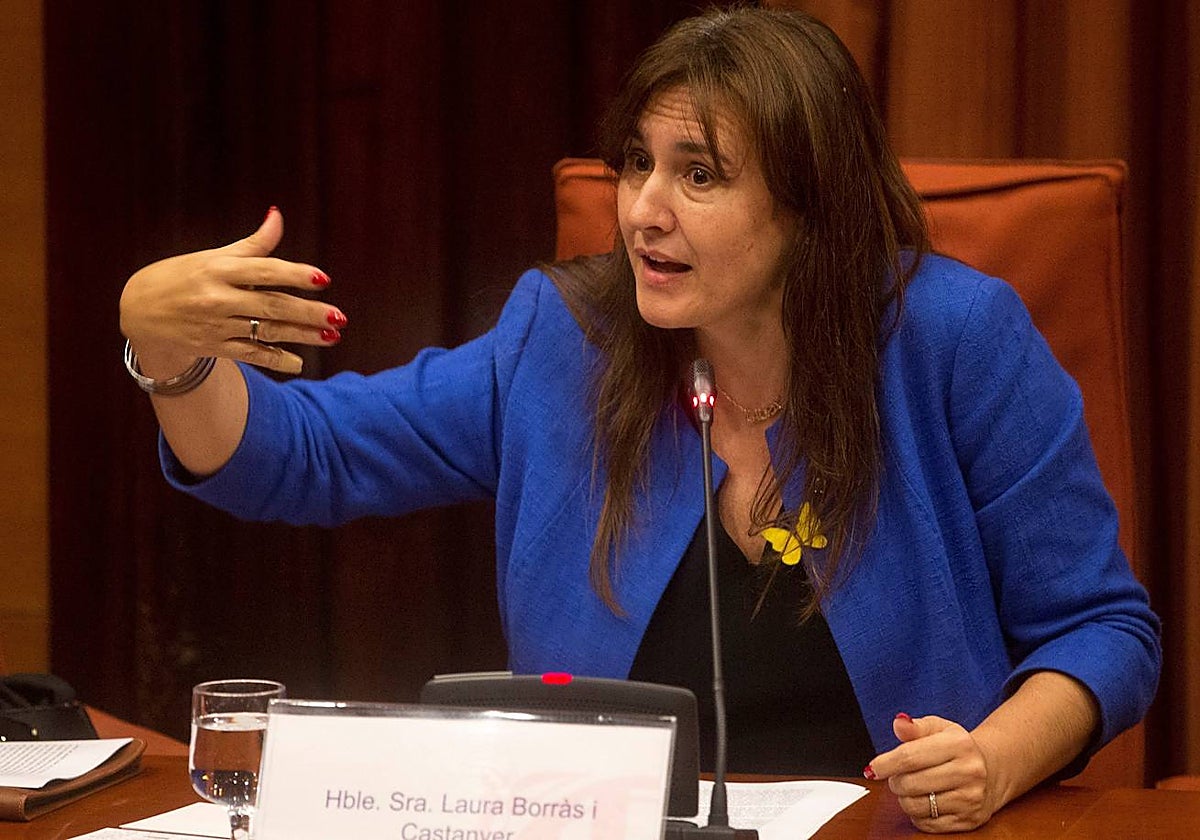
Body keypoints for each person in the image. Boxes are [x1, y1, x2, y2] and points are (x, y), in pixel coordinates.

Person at [118, 7, 1159, 833]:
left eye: (698, 174)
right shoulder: (564, 342)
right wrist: (168, 351)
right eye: (636, 162)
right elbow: (301, 456)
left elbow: (1102, 632)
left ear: (811, 206)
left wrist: (992, 760)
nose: (642, 210)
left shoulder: (955, 341)